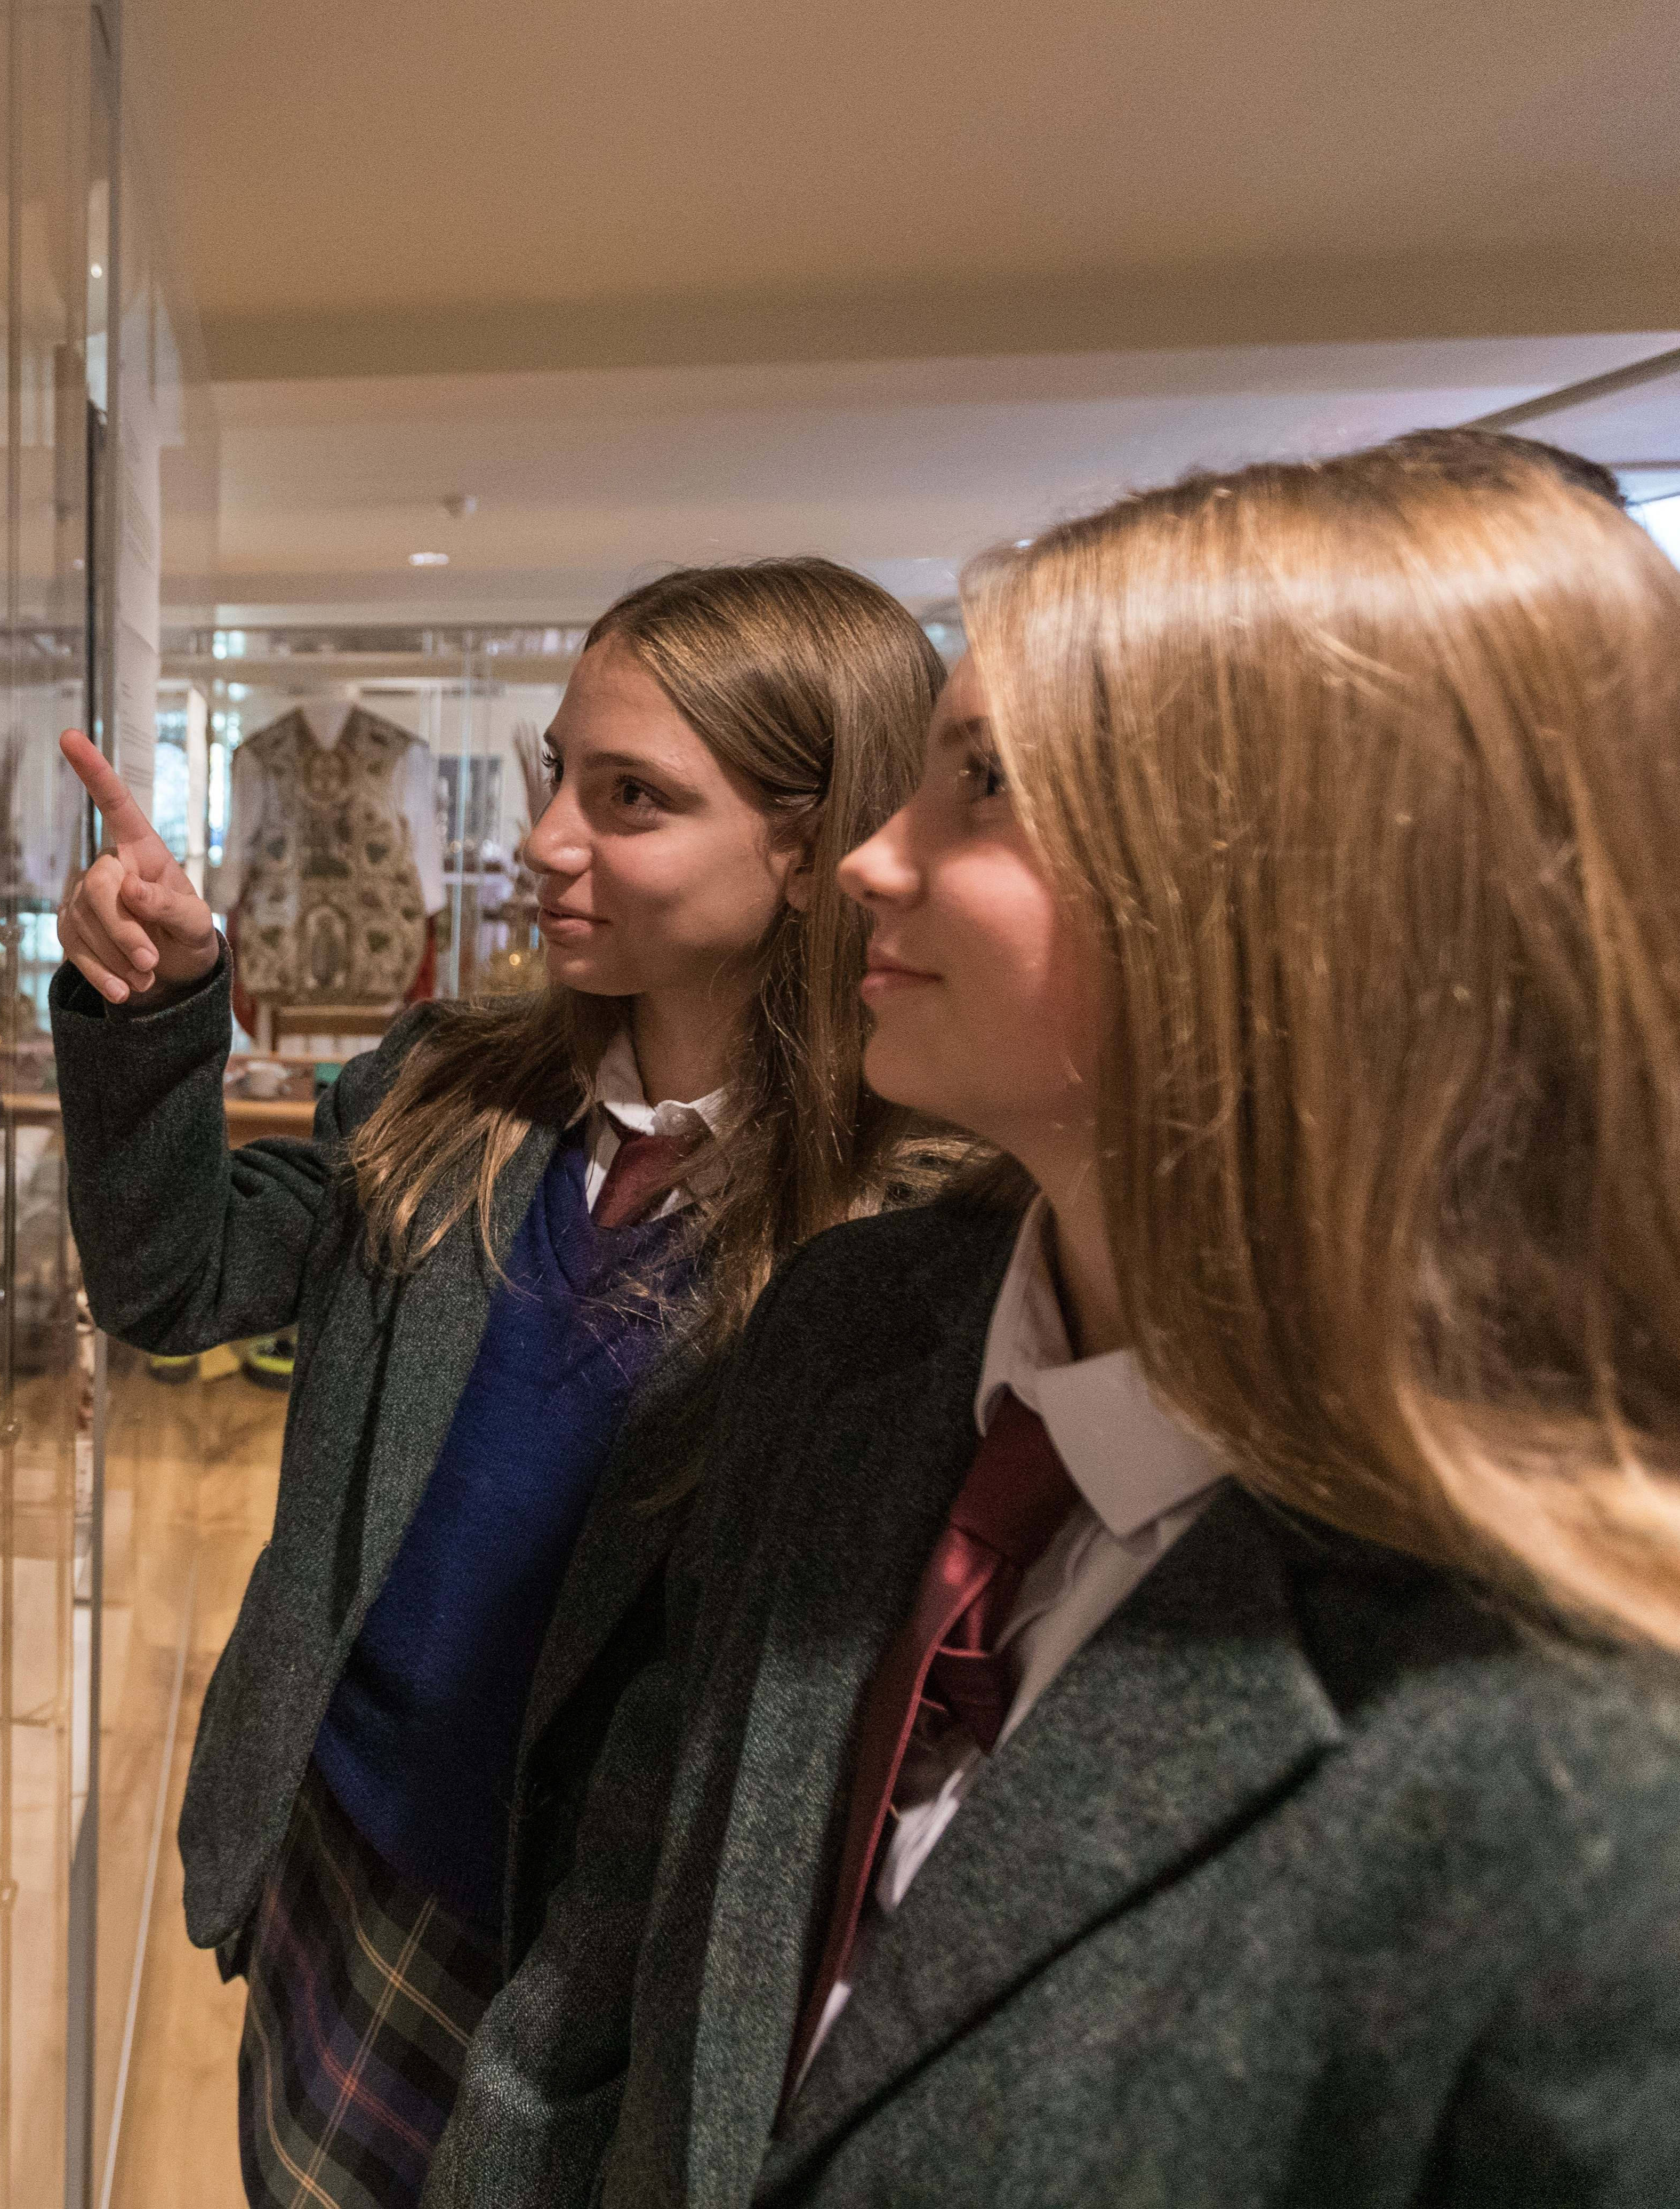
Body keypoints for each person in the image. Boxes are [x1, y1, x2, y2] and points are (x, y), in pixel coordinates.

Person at [486, 433, 1680, 2208]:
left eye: (985, 786)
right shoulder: (849, 1333)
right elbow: (636, 1915)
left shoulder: (1583, 1773)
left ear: (1299, 901)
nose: (869, 863)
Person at [50, 561, 947, 2208]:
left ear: (811, 845)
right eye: (558, 775)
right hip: (336, 1866)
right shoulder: (445, 1093)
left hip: (593, 1989)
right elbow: (177, 1279)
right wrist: (165, 1011)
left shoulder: (899, 1240)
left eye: (631, 799)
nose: (543, 840)